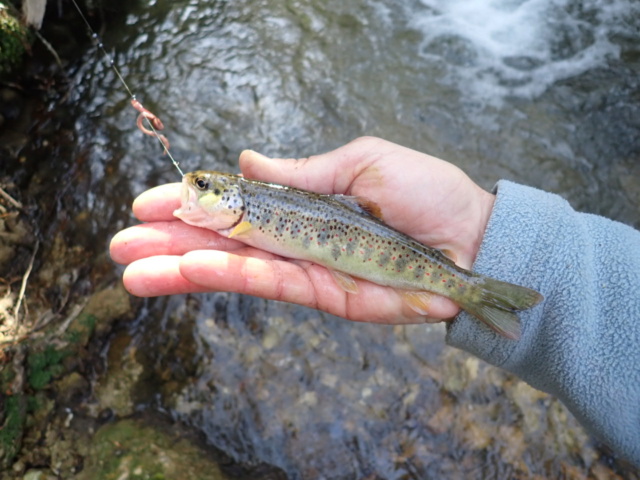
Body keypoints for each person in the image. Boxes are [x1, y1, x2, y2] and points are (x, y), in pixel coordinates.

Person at [109, 136, 640, 466]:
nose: (193, 190)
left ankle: (476, 290)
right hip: (370, 247)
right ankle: (478, 290)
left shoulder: (248, 207)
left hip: (384, 250)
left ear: (231, 198)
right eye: (199, 185)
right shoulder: (241, 211)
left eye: (201, 185)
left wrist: (482, 243)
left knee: (456, 283)